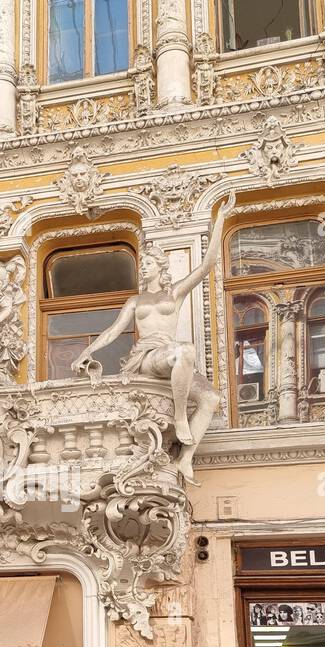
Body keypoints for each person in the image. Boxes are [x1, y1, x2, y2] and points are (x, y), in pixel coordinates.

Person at [70, 192, 238, 483]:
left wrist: (220, 219)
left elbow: (207, 265)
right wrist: (87, 352)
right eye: (142, 263)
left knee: (211, 398)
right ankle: (180, 416)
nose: (143, 267)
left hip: (171, 358)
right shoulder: (136, 301)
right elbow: (113, 330)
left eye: (148, 263)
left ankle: (185, 459)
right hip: (148, 358)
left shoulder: (174, 293)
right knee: (184, 351)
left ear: (161, 268)